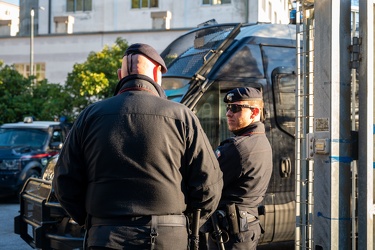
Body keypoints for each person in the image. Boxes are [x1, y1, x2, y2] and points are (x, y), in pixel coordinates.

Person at [53, 43, 223, 250]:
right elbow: (208, 184)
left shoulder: (90, 116)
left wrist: (92, 220)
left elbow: (64, 181)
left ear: (120, 75)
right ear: (156, 72)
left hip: (105, 235)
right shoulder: (181, 116)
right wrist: (181, 222)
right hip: (166, 237)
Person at [206, 87, 273, 250]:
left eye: (235, 108)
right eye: (228, 108)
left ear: (254, 112)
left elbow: (205, 184)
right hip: (246, 229)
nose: (228, 113)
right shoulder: (261, 141)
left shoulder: (238, 148)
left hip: (230, 233)